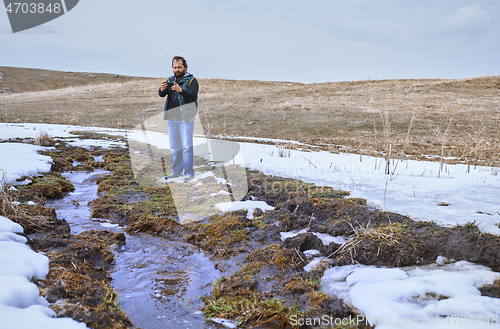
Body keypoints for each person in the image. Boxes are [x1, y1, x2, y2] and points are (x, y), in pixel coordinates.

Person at [158, 56, 199, 182]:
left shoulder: (192, 81)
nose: (177, 69)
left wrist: (180, 90)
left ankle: (189, 173)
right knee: (175, 147)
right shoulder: (170, 80)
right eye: (175, 67)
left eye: (179, 67)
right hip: (172, 118)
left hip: (185, 119)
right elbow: (162, 95)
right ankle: (176, 172)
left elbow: (192, 97)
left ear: (185, 67)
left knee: (186, 146)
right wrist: (162, 89)